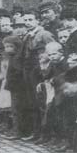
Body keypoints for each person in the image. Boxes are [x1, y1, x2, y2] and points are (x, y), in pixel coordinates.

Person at [21, 10, 55, 142]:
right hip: (30, 73)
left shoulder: (44, 34)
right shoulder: (27, 36)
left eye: (30, 20)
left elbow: (53, 51)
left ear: (37, 21)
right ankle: (36, 133)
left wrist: (46, 72)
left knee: (43, 104)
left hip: (42, 73)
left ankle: (45, 135)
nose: (28, 23)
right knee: (33, 103)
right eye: (26, 20)